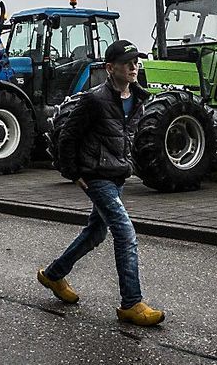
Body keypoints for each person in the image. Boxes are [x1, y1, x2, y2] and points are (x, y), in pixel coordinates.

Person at [37, 39, 165, 326]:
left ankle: (53, 274)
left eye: (136, 61)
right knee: (125, 233)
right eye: (127, 62)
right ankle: (131, 303)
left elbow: (124, 137)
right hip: (96, 176)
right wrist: (75, 174)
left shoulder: (138, 98)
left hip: (116, 174)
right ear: (110, 68)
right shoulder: (95, 99)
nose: (134, 66)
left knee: (96, 233)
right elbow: (67, 137)